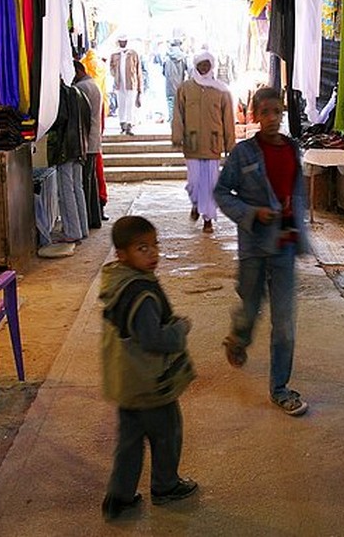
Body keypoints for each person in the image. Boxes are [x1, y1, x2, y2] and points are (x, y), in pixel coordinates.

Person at [214, 87, 311, 416]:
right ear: (254, 115)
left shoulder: (292, 149)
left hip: (283, 247)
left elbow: (295, 193)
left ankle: (280, 388)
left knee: (284, 322)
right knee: (250, 307)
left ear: (283, 113)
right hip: (254, 247)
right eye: (264, 112)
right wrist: (251, 213)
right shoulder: (243, 154)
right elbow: (222, 192)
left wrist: (299, 228)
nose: (271, 118)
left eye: (276, 112)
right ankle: (238, 337)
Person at [99, 216, 199, 521]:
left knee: (129, 443)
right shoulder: (140, 294)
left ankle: (119, 497)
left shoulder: (116, 282)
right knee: (168, 433)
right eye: (142, 248)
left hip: (127, 383)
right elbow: (153, 338)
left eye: (155, 246)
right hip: (149, 384)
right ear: (122, 254)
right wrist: (179, 329)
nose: (152, 253)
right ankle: (166, 485)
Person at [172, 51, 236, 234]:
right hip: (192, 143)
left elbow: (228, 119)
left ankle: (208, 219)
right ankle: (195, 203)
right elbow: (178, 114)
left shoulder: (221, 90)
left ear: (212, 66)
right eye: (201, 65)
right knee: (193, 182)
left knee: (210, 183)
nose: (204, 68)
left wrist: (230, 145)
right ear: (195, 66)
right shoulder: (185, 88)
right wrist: (177, 136)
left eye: (207, 65)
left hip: (213, 143)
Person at [46, 77, 91, 244]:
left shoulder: (60, 94)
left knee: (66, 191)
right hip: (79, 146)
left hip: (66, 147)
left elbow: (60, 118)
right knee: (77, 188)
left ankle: (72, 232)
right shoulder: (79, 93)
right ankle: (82, 228)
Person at [73, 60, 104, 229]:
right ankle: (94, 218)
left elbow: (81, 118)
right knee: (90, 181)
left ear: (77, 71)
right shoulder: (93, 84)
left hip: (87, 141)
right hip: (93, 140)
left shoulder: (82, 88)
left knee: (84, 183)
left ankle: (87, 220)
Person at [109, 36, 143, 135]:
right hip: (119, 84)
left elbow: (138, 71)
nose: (122, 43)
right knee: (121, 104)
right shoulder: (115, 54)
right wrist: (115, 75)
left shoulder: (133, 54)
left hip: (131, 83)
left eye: (124, 41)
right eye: (121, 41)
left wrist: (140, 88)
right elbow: (111, 67)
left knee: (130, 104)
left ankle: (129, 124)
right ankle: (122, 124)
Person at [162, 39, 189, 123]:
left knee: (170, 103)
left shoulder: (166, 58)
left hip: (169, 85)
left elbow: (163, 72)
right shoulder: (183, 58)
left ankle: (172, 121)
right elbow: (187, 70)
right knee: (180, 105)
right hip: (180, 85)